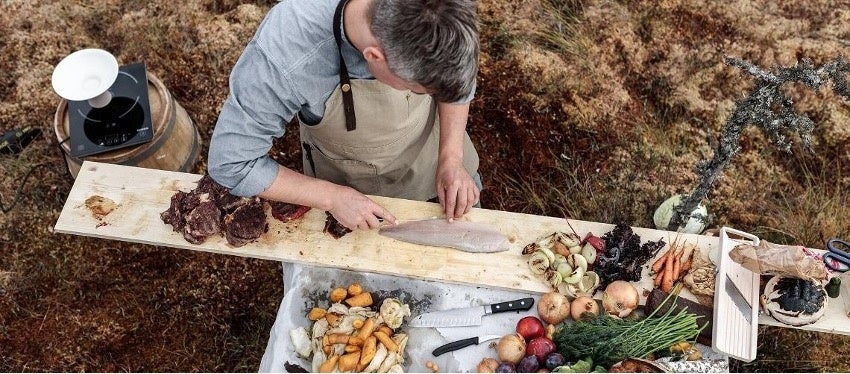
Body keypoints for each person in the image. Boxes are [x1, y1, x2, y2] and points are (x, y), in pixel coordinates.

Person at [208, 0, 482, 230]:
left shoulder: (441, 8)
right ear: (374, 57)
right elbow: (232, 162)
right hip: (348, 185)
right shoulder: (287, 53)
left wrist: (451, 158)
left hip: (429, 157)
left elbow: (459, 78)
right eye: (417, 90)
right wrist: (332, 198)